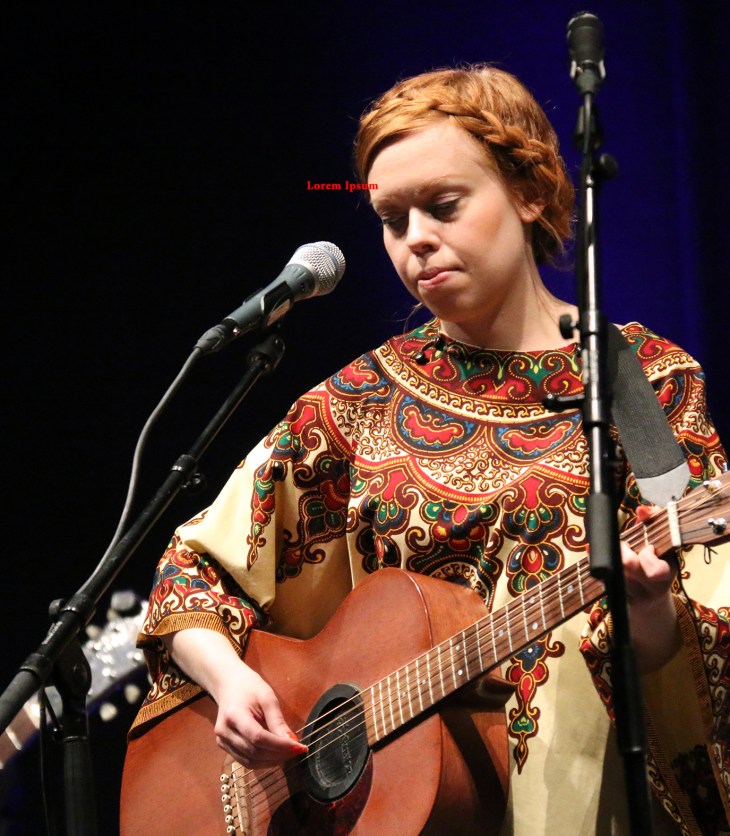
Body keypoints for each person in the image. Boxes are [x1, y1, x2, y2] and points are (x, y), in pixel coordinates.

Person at [129, 65, 729, 834]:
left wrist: (648, 617)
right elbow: (192, 571)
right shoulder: (354, 402)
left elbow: (702, 643)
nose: (414, 238)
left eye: (444, 206)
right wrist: (230, 681)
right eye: (391, 218)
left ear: (530, 193)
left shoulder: (643, 383)